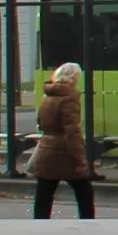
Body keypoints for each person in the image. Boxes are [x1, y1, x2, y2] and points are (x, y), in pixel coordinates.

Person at [31, 61, 95, 220]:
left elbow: (40, 121)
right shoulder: (69, 98)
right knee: (83, 190)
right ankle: (88, 224)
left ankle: (39, 224)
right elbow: (72, 131)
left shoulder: (48, 95)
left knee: (45, 191)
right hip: (64, 151)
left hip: (46, 148)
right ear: (74, 78)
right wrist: (82, 160)